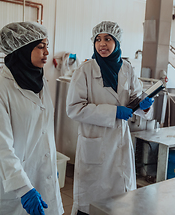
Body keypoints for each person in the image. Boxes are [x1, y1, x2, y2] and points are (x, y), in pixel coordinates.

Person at [66, 21, 154, 215]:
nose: (102, 44)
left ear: (117, 42)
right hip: (94, 143)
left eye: (108, 39)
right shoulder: (84, 71)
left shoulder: (127, 68)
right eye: (98, 39)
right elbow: (74, 109)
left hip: (119, 141)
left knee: (119, 202)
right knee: (91, 203)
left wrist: (143, 106)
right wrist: (113, 112)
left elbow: (133, 98)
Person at [0, 21, 63, 215]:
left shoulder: (39, 80)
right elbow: (1, 146)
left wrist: (49, 162)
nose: (47, 52)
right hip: (14, 185)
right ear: (22, 49)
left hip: (43, 175)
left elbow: (43, 130)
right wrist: (24, 189)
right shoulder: (0, 90)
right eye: (40, 47)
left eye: (47, 46)